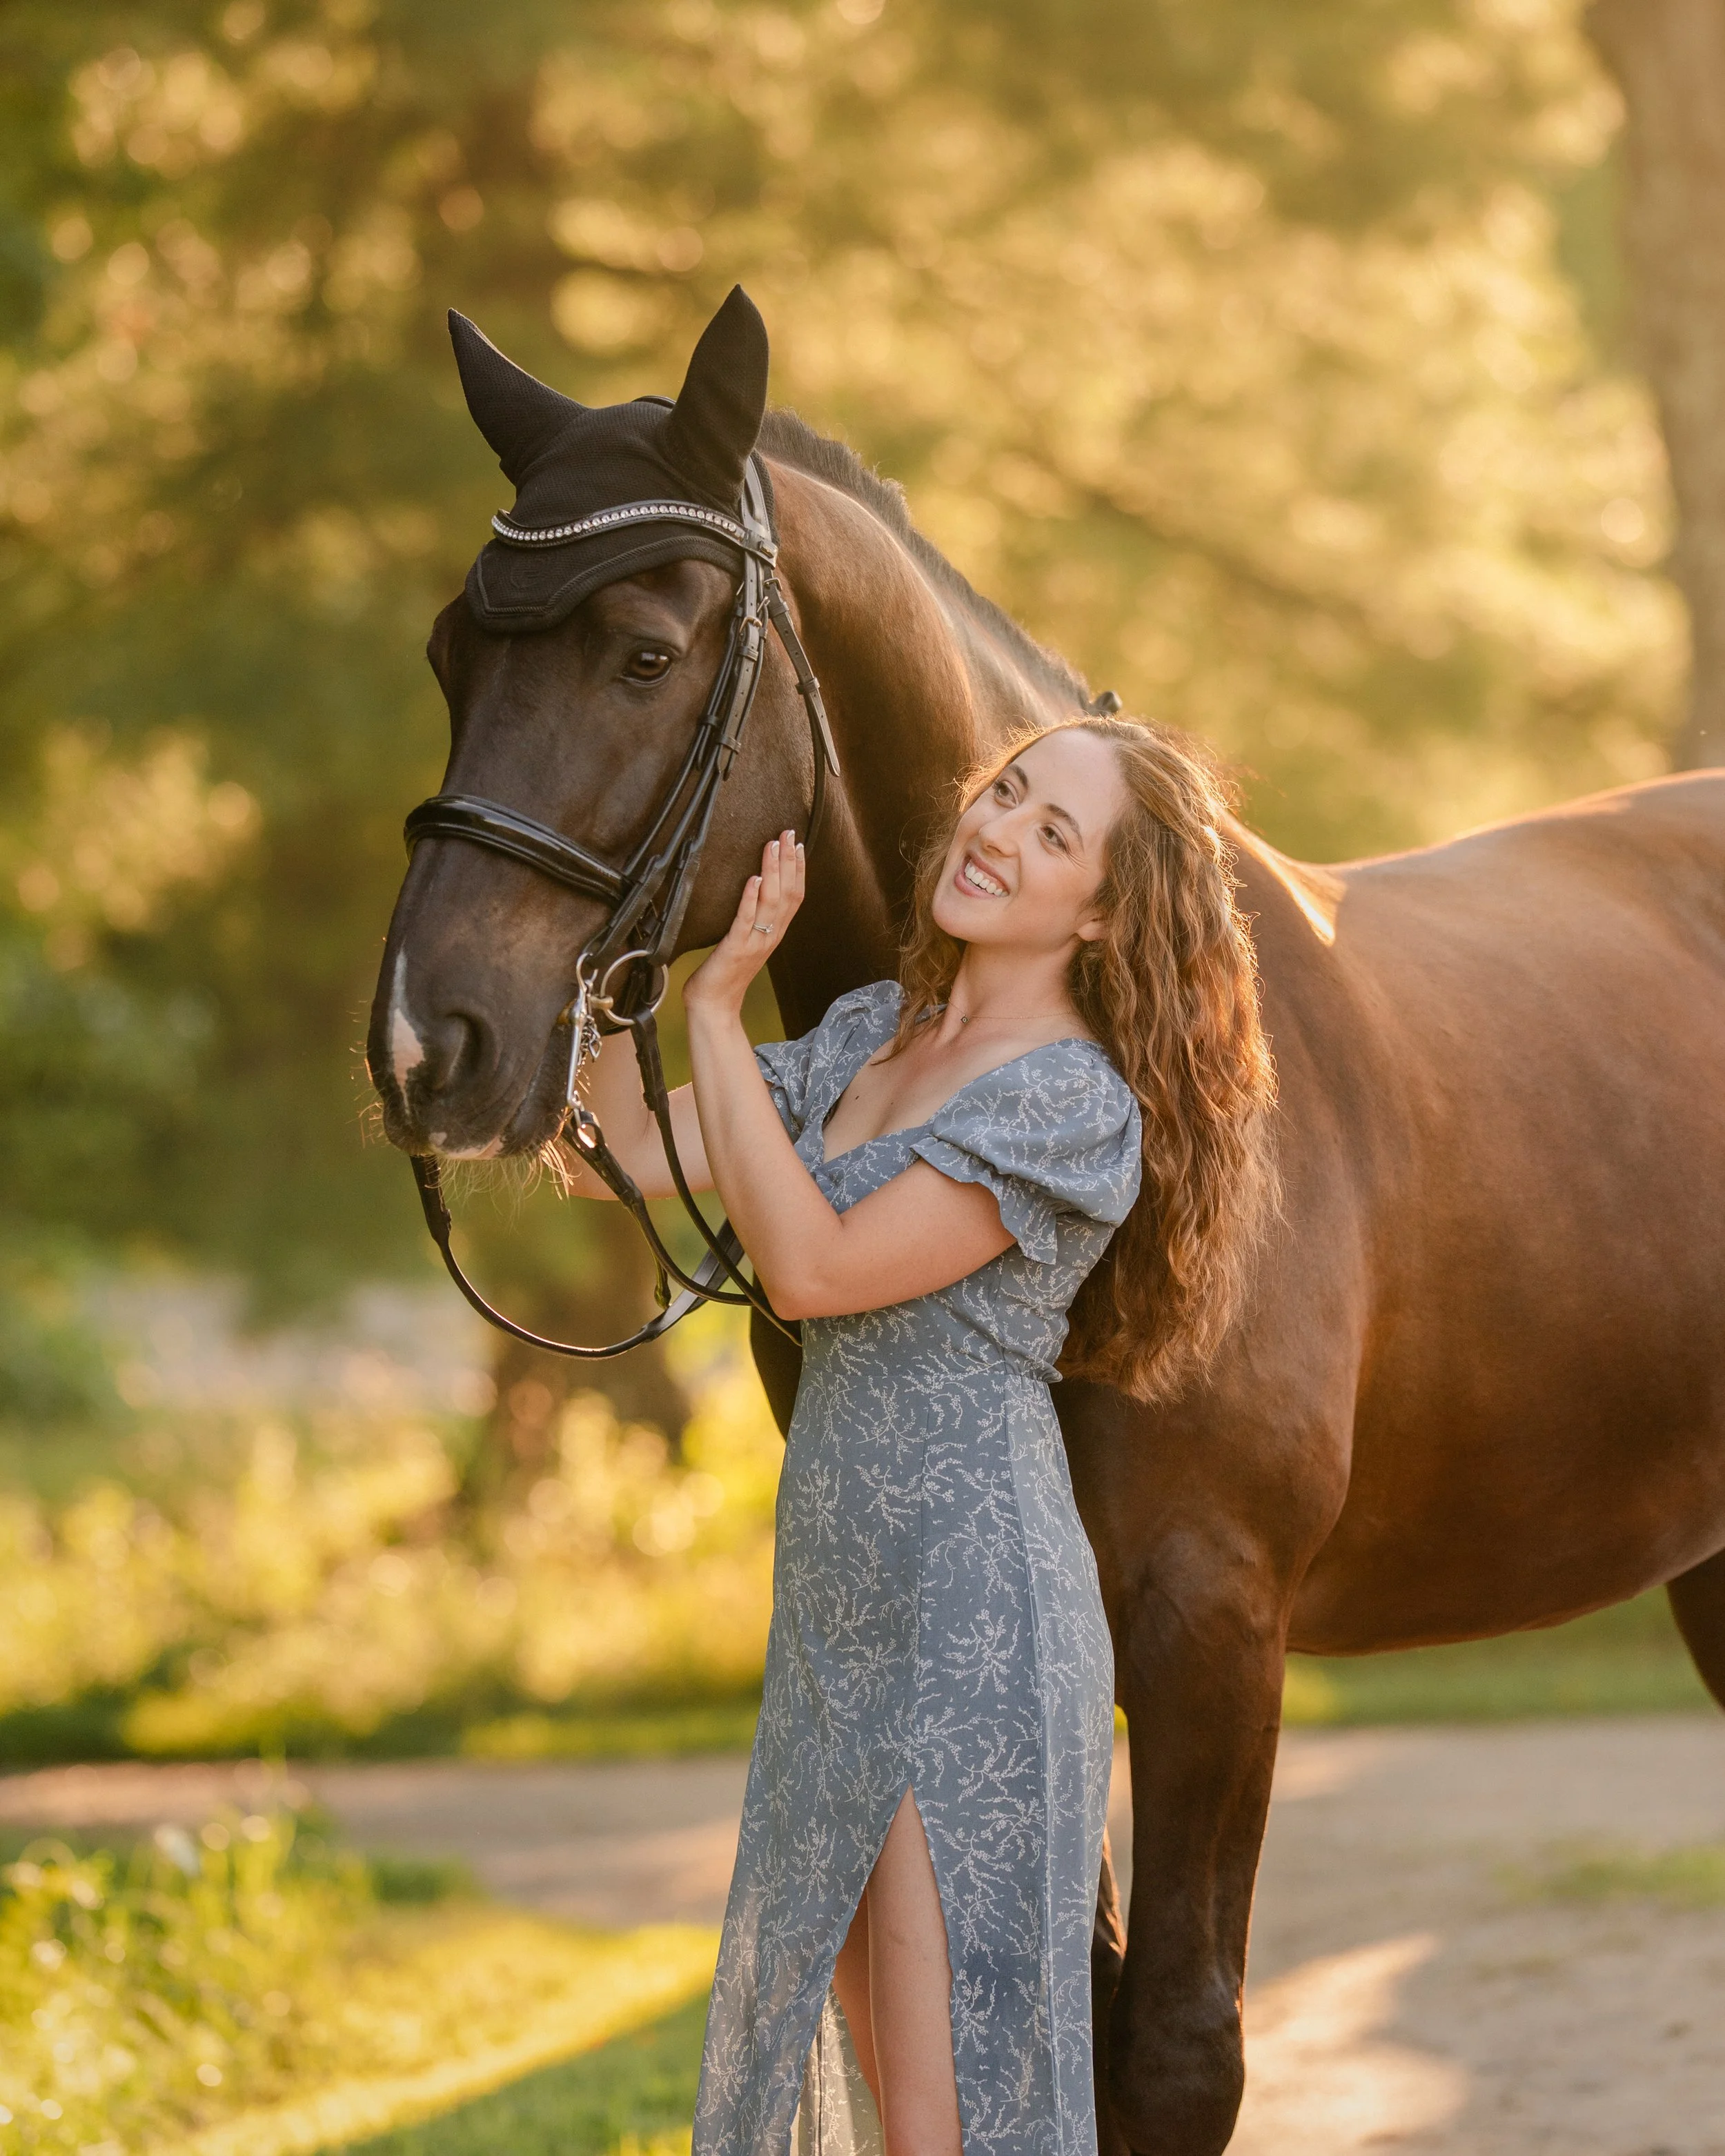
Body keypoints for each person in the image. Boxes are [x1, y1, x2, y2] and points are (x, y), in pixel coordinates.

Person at [566, 715, 1275, 2156]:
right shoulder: (867, 1033)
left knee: (940, 2114)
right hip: (838, 1602)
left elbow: (811, 1269)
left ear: (1100, 910)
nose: (996, 829)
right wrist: (584, 943)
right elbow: (620, 1152)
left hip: (974, 1614)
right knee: (873, 2063)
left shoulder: (1073, 1101)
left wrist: (716, 1010)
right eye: (1002, 791)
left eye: (1051, 831)